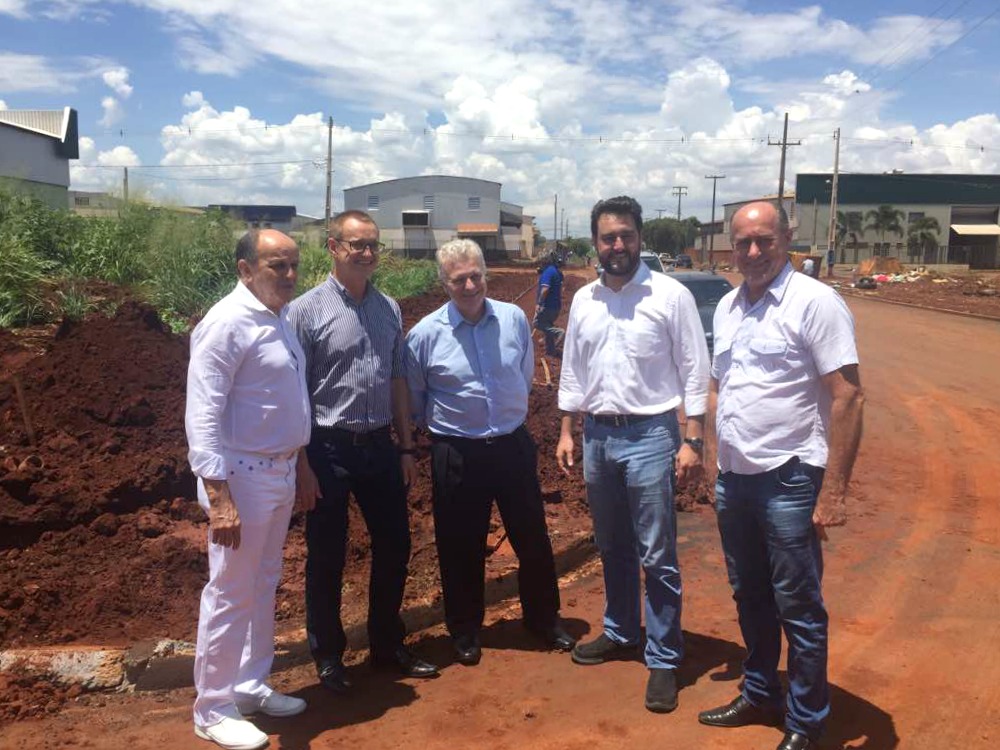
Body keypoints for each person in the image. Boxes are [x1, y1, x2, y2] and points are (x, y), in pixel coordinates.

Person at [698, 202, 864, 750]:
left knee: (799, 606)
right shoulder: (727, 307)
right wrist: (712, 461)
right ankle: (759, 691)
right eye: (743, 242)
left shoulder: (816, 302)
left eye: (764, 240)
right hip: (735, 479)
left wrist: (833, 492)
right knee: (749, 595)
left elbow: (848, 396)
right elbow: (718, 388)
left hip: (790, 478)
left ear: (787, 240)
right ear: (731, 246)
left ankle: (807, 722)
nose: (753, 252)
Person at [556, 196, 710, 713]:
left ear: (640, 238)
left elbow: (695, 368)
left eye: (625, 235)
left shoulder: (670, 295)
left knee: (656, 553)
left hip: (651, 436)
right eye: (608, 237)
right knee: (612, 545)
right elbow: (573, 368)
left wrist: (693, 438)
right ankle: (621, 631)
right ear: (595, 243)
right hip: (597, 437)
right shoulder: (585, 299)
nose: (617, 245)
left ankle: (663, 656)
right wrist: (567, 429)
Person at [288, 210, 438, 695]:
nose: (367, 253)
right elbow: (294, 390)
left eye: (373, 244)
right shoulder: (305, 311)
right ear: (334, 247)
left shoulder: (388, 308)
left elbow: (397, 379)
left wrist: (406, 446)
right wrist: (301, 462)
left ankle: (386, 644)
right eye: (357, 245)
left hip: (378, 444)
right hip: (327, 447)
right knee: (327, 554)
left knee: (395, 544)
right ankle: (328, 656)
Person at [405, 238, 575, 667]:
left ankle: (543, 618)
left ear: (485, 275)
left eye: (475, 276)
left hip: (511, 445)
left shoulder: (513, 319)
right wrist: (450, 429)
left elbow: (522, 373)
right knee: (459, 544)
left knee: (531, 536)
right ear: (444, 283)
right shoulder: (424, 335)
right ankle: (465, 629)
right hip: (457, 451)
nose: (469, 286)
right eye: (458, 279)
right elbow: (416, 399)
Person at [185, 229, 311, 750]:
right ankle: (212, 708)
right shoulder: (227, 323)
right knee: (230, 591)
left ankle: (249, 685)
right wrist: (219, 498)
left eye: (293, 265)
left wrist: (301, 465)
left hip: (279, 472)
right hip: (241, 478)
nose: (288, 275)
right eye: (276, 265)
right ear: (245, 269)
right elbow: (203, 412)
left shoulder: (279, 318)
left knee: (263, 583)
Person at [534, 251, 565, 356]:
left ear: (544, 261)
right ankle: (551, 350)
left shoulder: (548, 272)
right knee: (548, 325)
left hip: (548, 305)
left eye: (540, 261)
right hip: (556, 305)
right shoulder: (556, 271)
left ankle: (559, 332)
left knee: (537, 323)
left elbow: (545, 289)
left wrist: (539, 303)